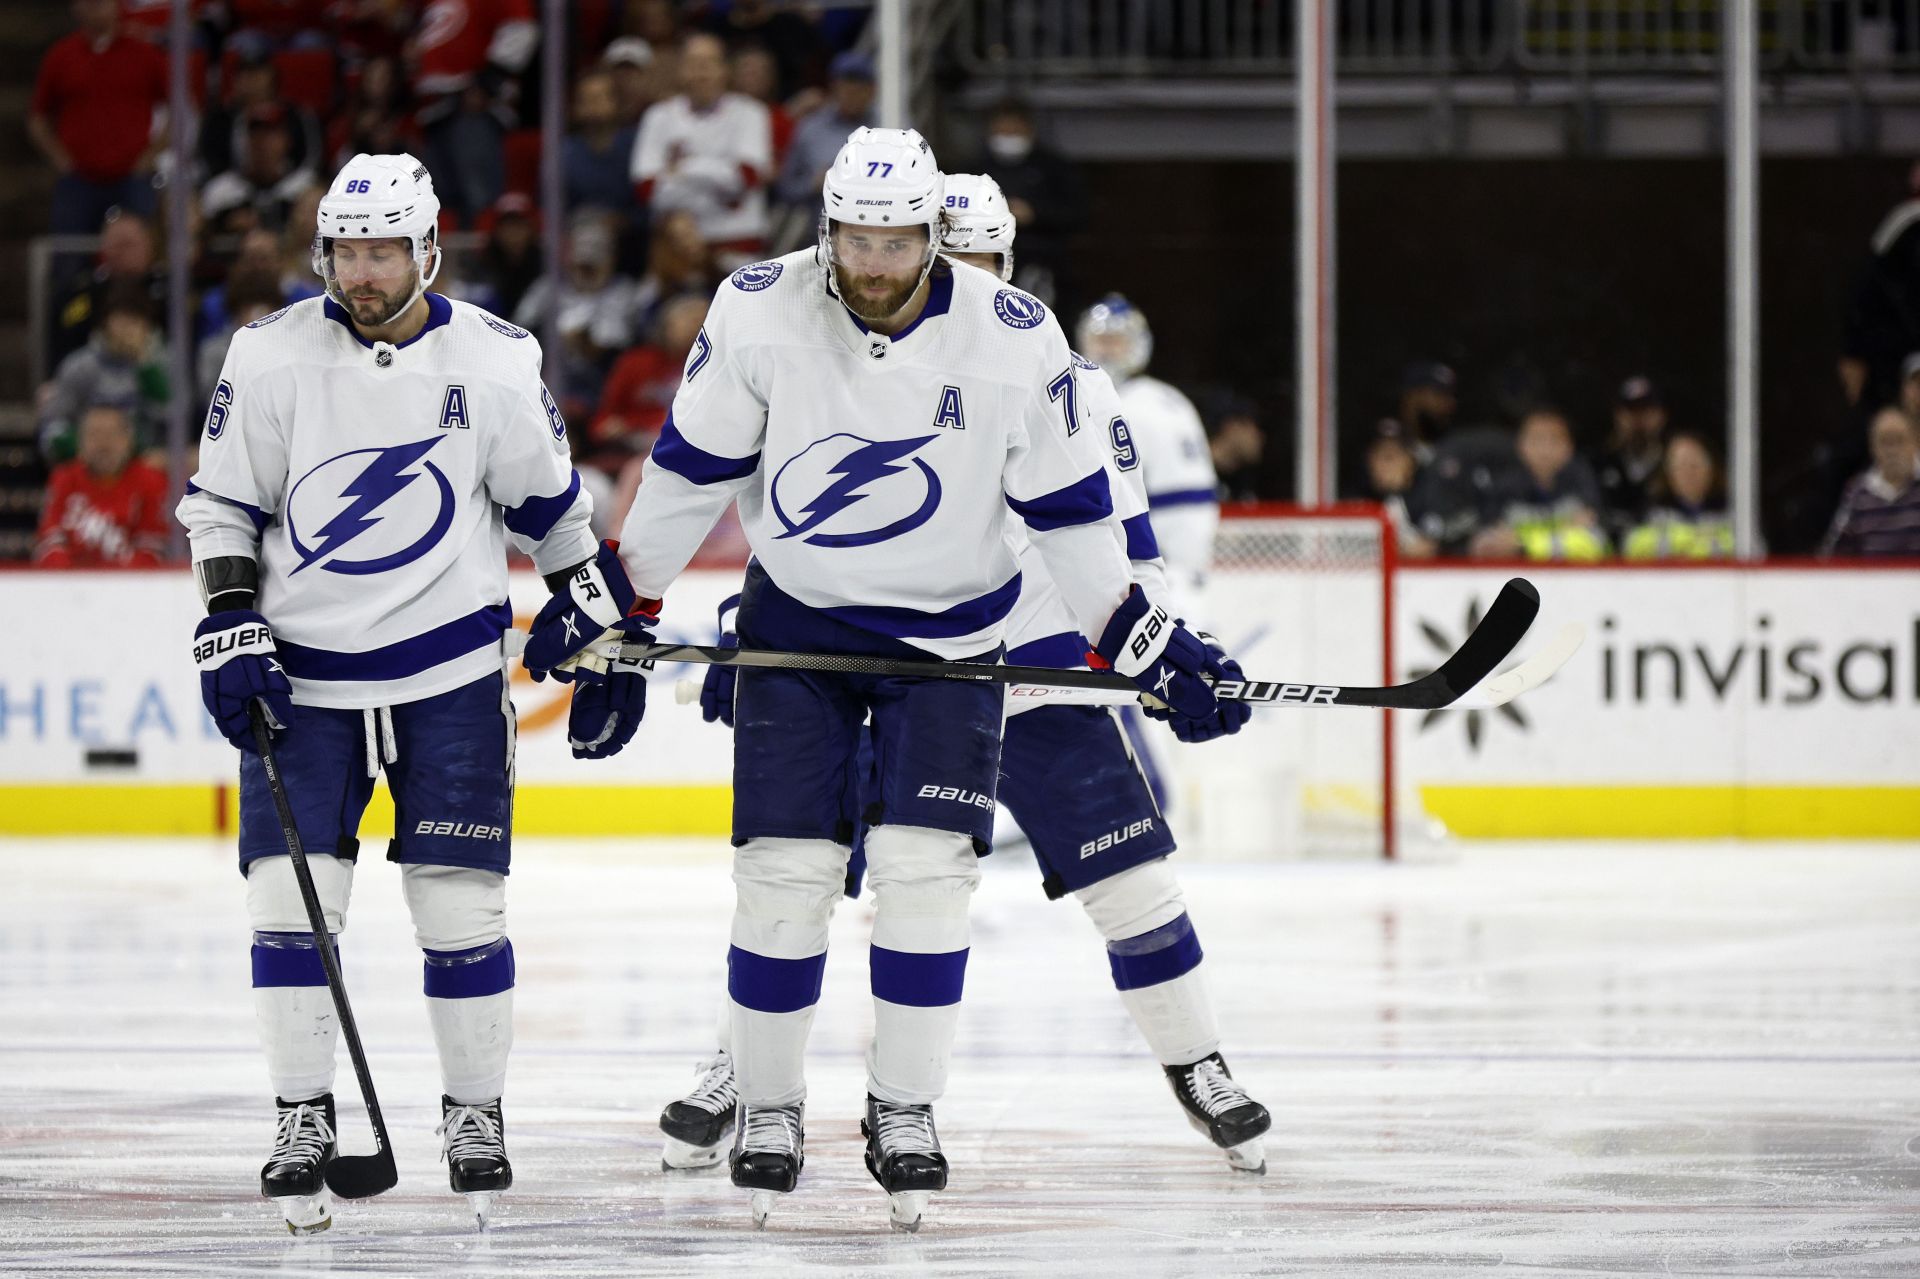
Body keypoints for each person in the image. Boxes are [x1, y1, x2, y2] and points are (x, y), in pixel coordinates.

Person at [522, 128, 1232, 1230]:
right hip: (805, 630)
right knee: (785, 873)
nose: (876, 262)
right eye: (858, 237)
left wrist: (1148, 644)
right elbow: (687, 475)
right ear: (829, 228)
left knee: (930, 876)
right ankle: (762, 1094)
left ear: (940, 243)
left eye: (902, 241)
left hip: (968, 644)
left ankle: (907, 1106)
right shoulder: (762, 308)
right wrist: (627, 605)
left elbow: (1086, 535)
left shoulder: (1022, 347)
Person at [175, 152, 597, 1235]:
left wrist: (587, 608)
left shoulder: (498, 361)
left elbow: (552, 509)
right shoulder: (268, 357)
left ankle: (473, 1113)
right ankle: (302, 1112)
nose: (362, 273)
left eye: (383, 251)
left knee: (459, 909)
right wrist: (229, 620)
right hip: (303, 683)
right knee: (289, 908)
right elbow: (222, 504)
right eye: (347, 252)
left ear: (428, 249)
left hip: (447, 677)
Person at [1075, 294, 1218, 619]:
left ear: (1138, 345)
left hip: (1152, 576)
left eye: (1116, 341)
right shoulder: (1169, 397)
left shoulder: (1118, 404)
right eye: (1100, 340)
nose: (1107, 350)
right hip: (1184, 575)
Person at [630, 32, 773, 270]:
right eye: (693, 64)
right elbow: (646, 188)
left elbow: (747, 177)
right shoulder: (658, 116)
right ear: (680, 70)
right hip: (676, 245)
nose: (701, 73)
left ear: (724, 70)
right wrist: (721, 180)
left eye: (709, 64)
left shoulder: (751, 113)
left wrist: (683, 167)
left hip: (739, 245)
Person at [29, 0, 167, 234]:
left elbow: (181, 110)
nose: (95, 7)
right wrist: (60, 159)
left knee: (140, 252)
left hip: (132, 177)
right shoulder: (61, 56)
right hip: (79, 180)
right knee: (69, 258)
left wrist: (151, 154)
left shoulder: (145, 53)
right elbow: (38, 118)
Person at [38, 279, 168, 465]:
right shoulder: (80, 366)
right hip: (88, 466)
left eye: (135, 321)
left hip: (144, 465)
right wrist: (91, 446)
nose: (128, 330)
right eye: (121, 320)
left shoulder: (163, 363)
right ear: (105, 323)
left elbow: (174, 418)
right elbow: (51, 430)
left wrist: (145, 365)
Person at [34, 403, 171, 566]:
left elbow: (152, 548)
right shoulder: (64, 478)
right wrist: (69, 578)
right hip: (70, 583)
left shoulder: (151, 481)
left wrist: (116, 582)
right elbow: (49, 539)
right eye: (94, 435)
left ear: (128, 441)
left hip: (128, 586)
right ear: (80, 442)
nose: (103, 444)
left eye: (111, 434)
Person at [979, 96, 1085, 303]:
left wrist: (1034, 214)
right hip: (988, 259)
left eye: (1014, 130)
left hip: (1044, 260)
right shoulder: (975, 171)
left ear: (1029, 129)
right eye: (1003, 131)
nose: (1008, 136)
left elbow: (1077, 214)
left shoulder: (1054, 168)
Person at [1472, 407, 1608, 561]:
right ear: (1520, 445)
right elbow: (1485, 544)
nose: (1545, 450)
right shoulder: (1503, 488)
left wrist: (1522, 546)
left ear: (1570, 446)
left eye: (1554, 440)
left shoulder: (1583, 482)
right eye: (1537, 440)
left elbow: (1594, 542)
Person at [775, 51, 875, 210]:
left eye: (859, 89)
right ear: (833, 88)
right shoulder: (811, 128)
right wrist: (813, 184)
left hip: (878, 226)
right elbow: (785, 189)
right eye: (846, 88)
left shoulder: (892, 125)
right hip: (825, 229)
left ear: (872, 91)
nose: (852, 96)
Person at [1822, 405, 1920, 556]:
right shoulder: (1857, 492)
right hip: (1872, 577)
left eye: (1899, 440)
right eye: (1885, 442)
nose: (1892, 450)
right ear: (1872, 447)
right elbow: (1833, 554)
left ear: (1915, 442)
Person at [1622, 431, 1734, 560]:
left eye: (1694, 465)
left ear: (1712, 469)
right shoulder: (1649, 512)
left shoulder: (1733, 510)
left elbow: (1755, 547)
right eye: (1680, 465)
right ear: (1668, 472)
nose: (1688, 472)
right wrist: (1687, 539)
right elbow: (1628, 547)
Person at [1595, 375, 1668, 545]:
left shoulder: (1674, 465)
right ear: (1618, 416)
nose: (1638, 419)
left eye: (1646, 411)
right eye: (1631, 411)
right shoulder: (1598, 463)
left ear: (1661, 416)